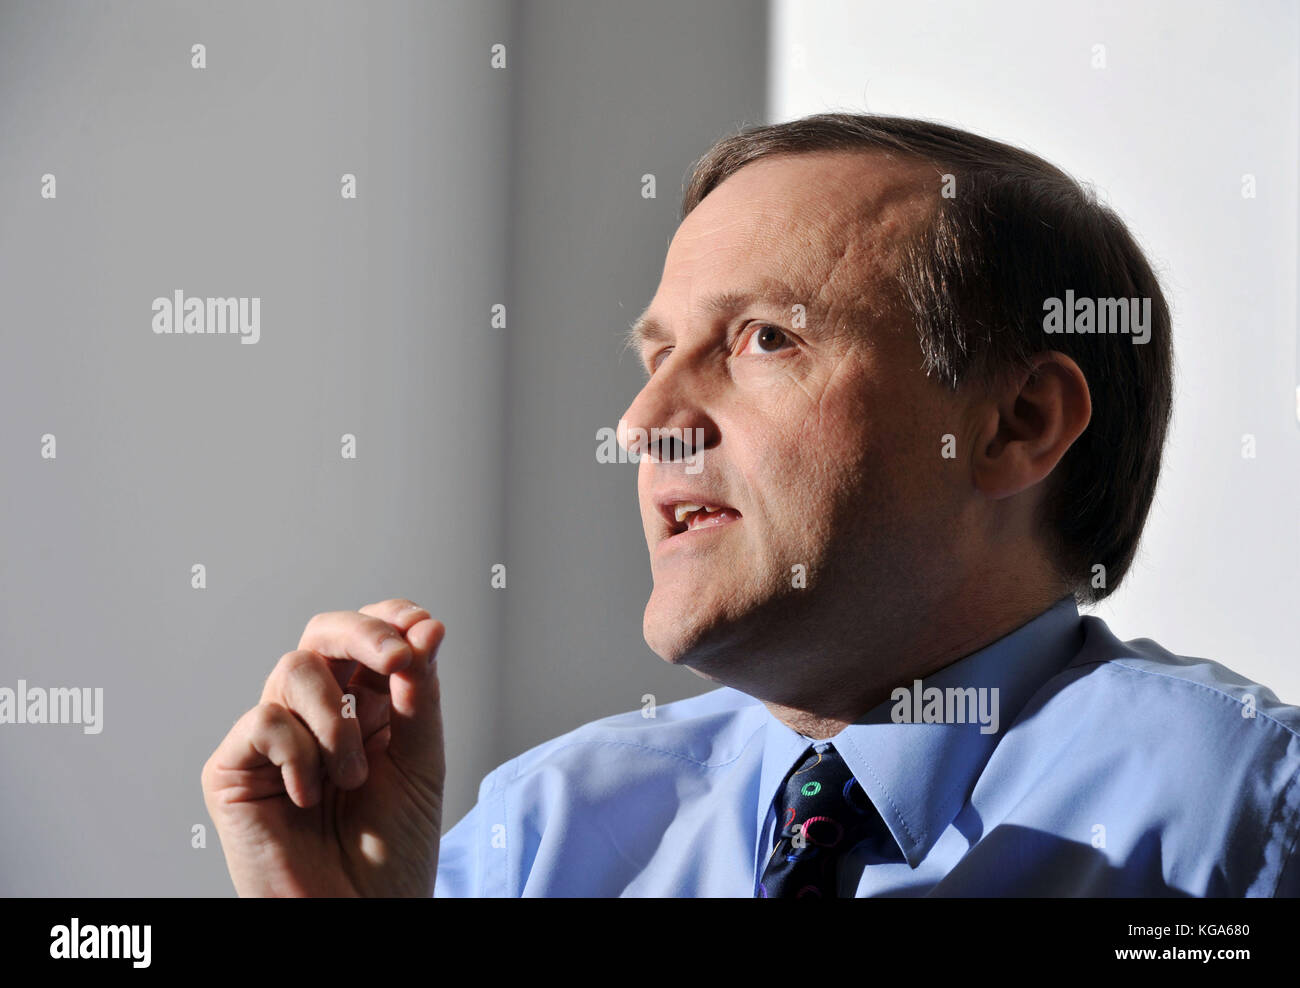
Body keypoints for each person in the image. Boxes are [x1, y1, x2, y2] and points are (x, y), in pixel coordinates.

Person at [201, 113, 1300, 897]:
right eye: (658, 352)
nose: (643, 423)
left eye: (763, 339)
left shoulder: (1241, 811)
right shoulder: (543, 830)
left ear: (1015, 425)